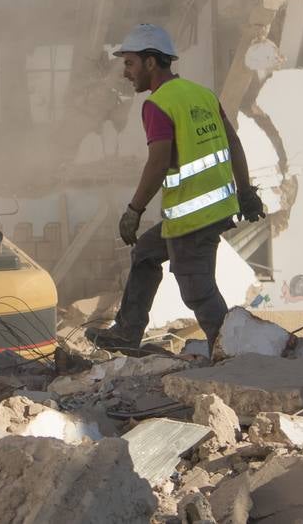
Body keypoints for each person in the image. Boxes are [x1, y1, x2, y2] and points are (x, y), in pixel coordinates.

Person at [85, 24, 265, 352]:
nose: (125, 73)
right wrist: (245, 193)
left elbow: (157, 163)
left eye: (129, 63)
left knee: (198, 290)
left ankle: (233, 353)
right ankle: (127, 332)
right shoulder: (201, 95)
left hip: (192, 218)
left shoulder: (158, 105)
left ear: (151, 62)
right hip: (215, 209)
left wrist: (134, 210)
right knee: (145, 254)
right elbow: (233, 142)